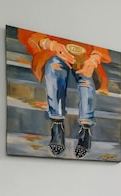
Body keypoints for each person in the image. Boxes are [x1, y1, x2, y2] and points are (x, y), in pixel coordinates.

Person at [18, 29, 111, 158]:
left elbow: (101, 49)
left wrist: (94, 59)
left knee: (86, 80)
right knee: (54, 66)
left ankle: (86, 128)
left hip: (86, 56)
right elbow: (28, 36)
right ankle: (57, 125)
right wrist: (52, 45)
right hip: (54, 52)